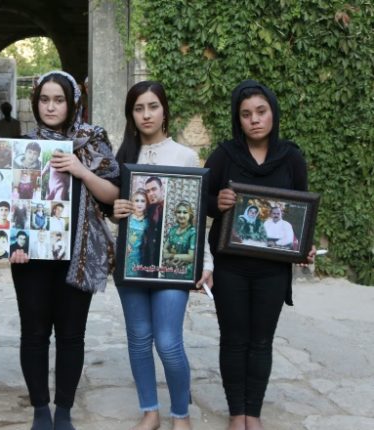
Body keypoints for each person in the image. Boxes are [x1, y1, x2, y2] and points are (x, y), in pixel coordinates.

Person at [10, 71, 119, 430]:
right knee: (34, 333)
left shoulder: (92, 141)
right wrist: (12, 244)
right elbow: (8, 204)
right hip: (32, 258)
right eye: (44, 100)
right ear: (35, 103)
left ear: (72, 103)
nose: (51, 107)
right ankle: (41, 411)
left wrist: (80, 170)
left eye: (59, 100)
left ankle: (64, 412)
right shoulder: (23, 146)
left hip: (78, 255)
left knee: (71, 335)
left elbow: (112, 195)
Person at [205, 80, 314, 430]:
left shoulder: (291, 157)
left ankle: (253, 413)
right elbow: (202, 199)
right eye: (246, 114)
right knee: (234, 340)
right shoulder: (224, 155)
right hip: (230, 268)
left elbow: (300, 212)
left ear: (273, 113)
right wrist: (219, 202)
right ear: (238, 119)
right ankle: (236, 413)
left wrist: (304, 246)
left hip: (273, 271)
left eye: (261, 112)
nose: (254, 120)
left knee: (261, 341)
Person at [111, 81, 214, 430]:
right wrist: (117, 211)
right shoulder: (124, 157)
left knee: (168, 342)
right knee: (139, 339)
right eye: (138, 108)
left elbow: (197, 215)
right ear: (131, 114)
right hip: (133, 262)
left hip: (171, 265)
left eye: (152, 106)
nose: (146, 115)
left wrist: (206, 262)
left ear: (164, 110)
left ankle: (180, 414)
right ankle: (150, 412)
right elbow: (115, 211)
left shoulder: (184, 156)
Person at [163, 201, 197, 280]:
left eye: (185, 212)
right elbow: (164, 251)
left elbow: (191, 257)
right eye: (179, 212)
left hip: (186, 274)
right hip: (170, 270)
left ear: (190, 214)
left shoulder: (193, 232)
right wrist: (169, 261)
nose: (181, 215)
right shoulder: (173, 230)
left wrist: (171, 256)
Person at [124, 189, 149, 278]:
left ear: (146, 204)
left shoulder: (148, 221)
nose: (139, 204)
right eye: (137, 200)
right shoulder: (127, 218)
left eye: (143, 201)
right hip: (126, 256)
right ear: (132, 203)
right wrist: (124, 244)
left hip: (140, 258)